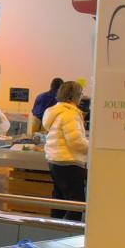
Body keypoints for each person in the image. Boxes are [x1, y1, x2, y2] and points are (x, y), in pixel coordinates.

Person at [43, 80, 89, 221]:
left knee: (59, 202)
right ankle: (67, 237)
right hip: (69, 164)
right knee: (75, 205)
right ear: (74, 96)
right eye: (80, 94)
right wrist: (92, 147)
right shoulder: (70, 114)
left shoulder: (56, 112)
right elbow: (76, 142)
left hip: (56, 162)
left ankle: (54, 233)